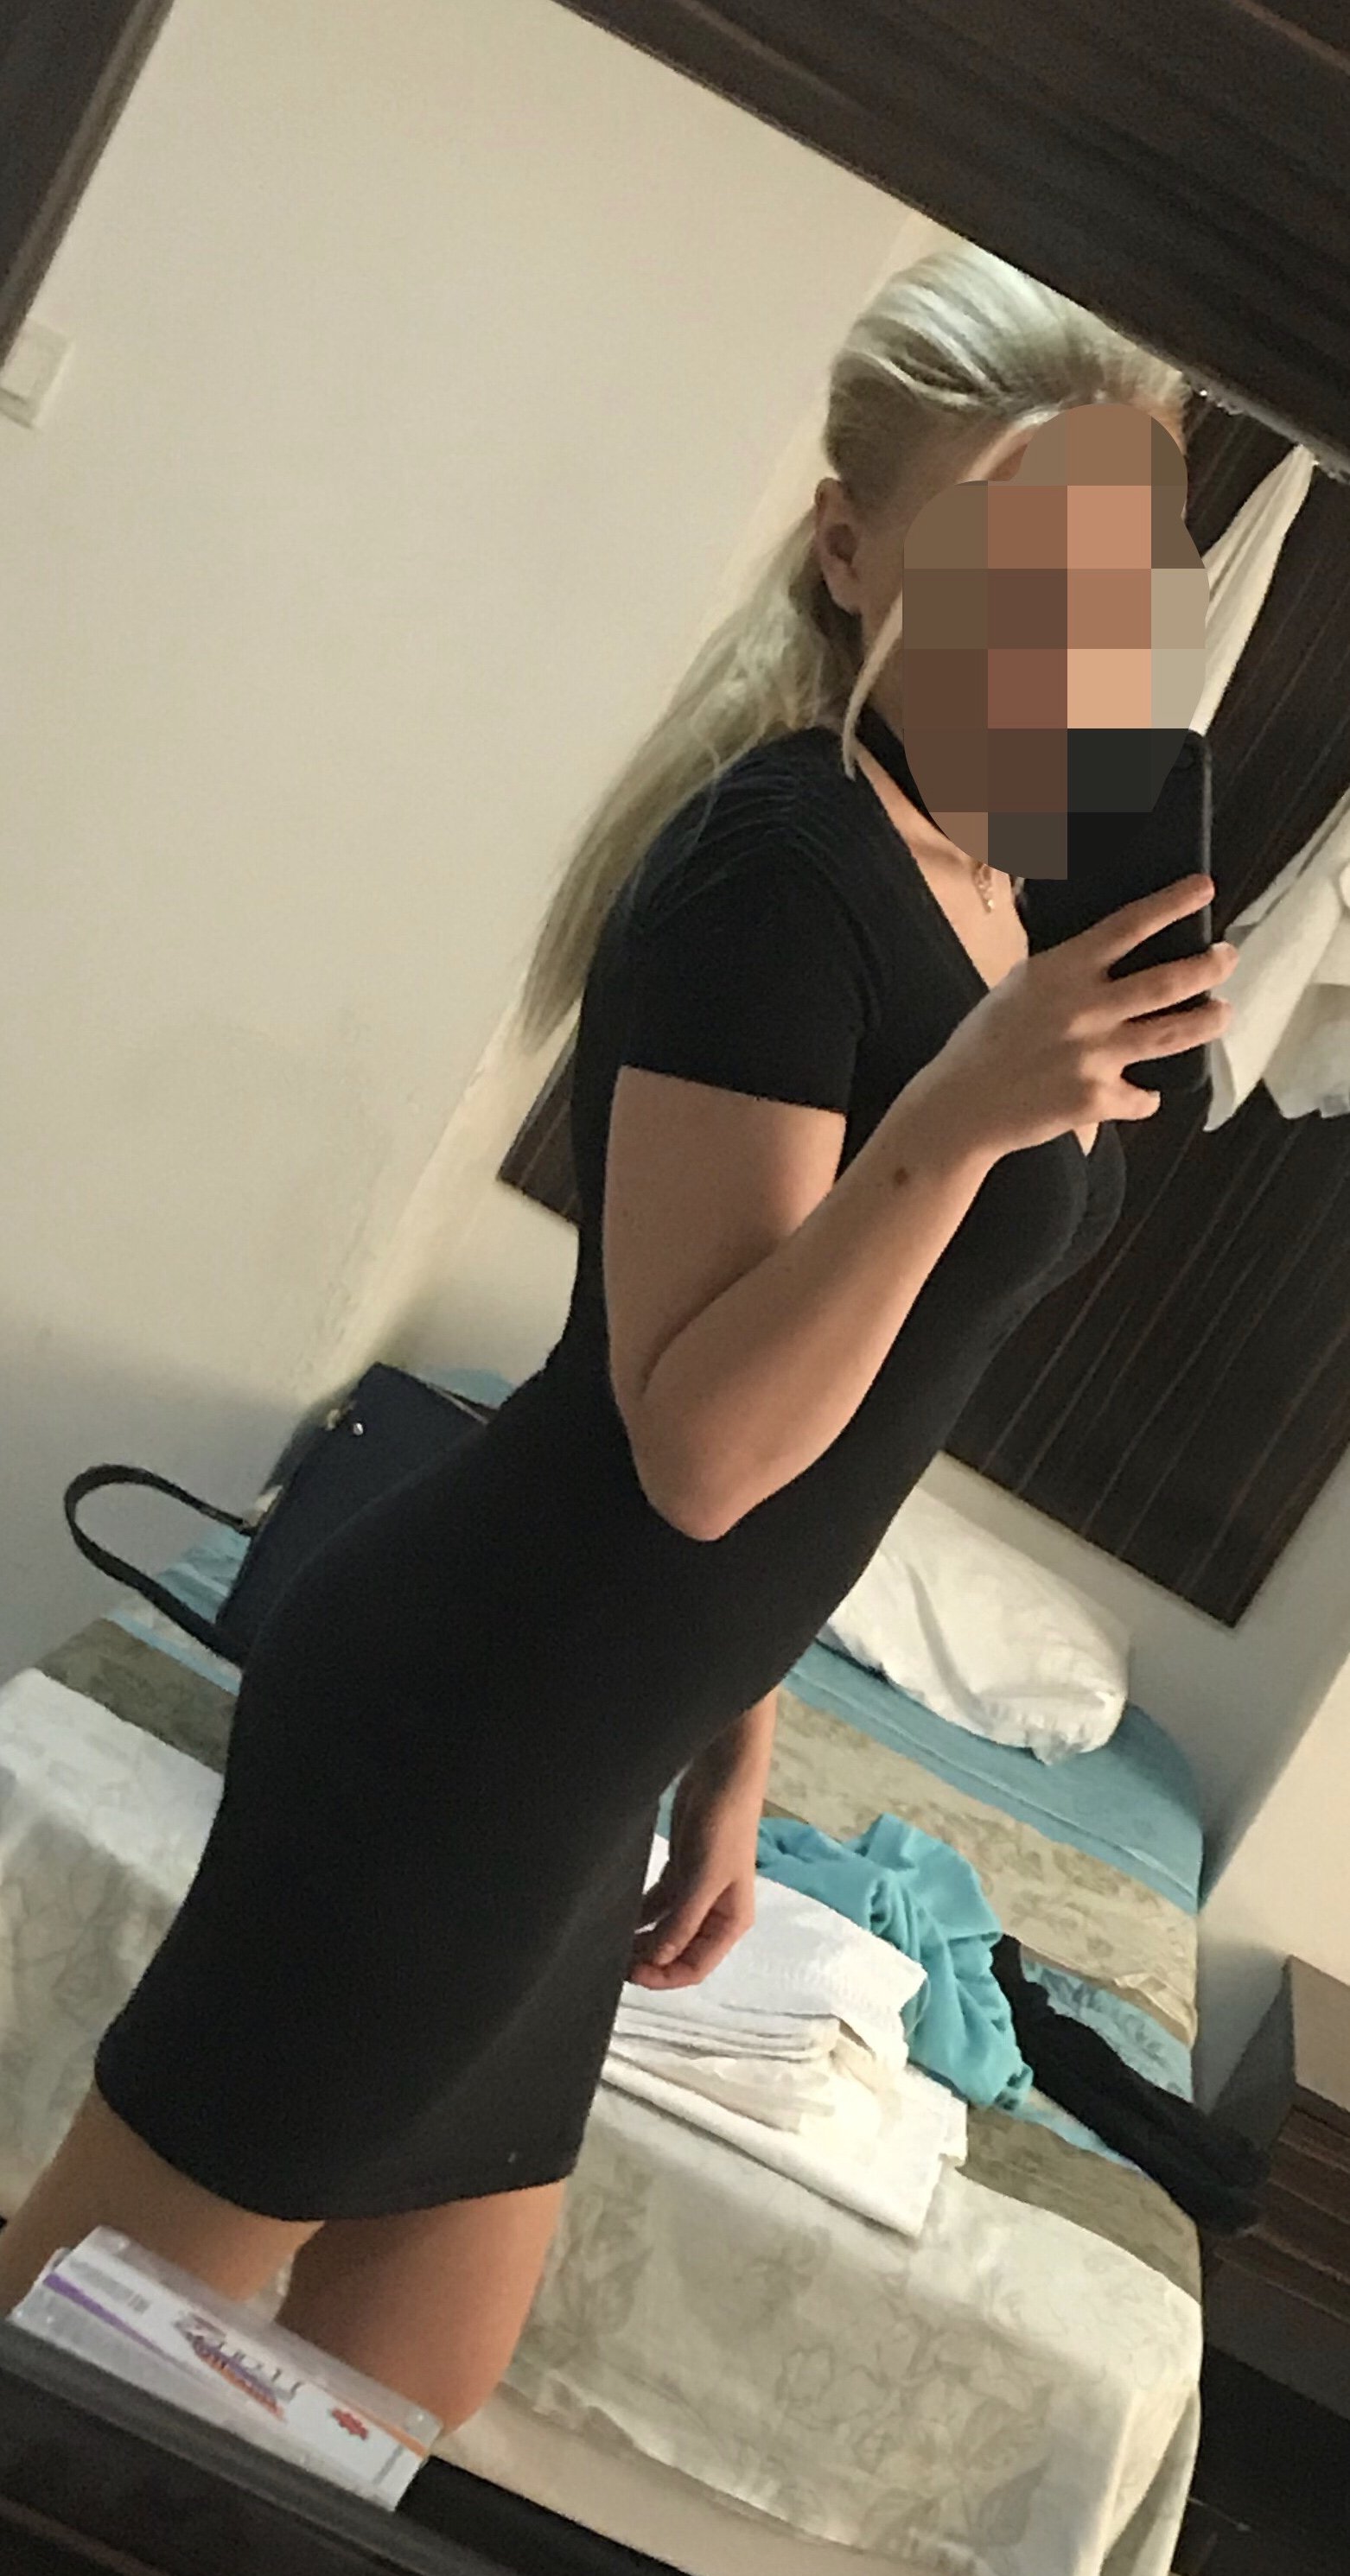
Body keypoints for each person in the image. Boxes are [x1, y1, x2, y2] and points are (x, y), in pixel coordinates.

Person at [0, 244, 1232, 2420]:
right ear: (851, 547)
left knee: (370, 2430)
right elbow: (696, 1445)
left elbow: (846, 1411)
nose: (1072, 630)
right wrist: (959, 1119)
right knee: (77, 2391)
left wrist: (727, 1734)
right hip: (455, 1742)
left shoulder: (992, 887)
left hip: (587, 1760)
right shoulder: (784, 872)